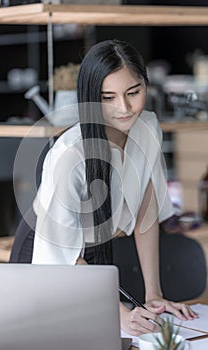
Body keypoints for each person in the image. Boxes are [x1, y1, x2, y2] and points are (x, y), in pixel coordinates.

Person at [32, 39, 198, 335]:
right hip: (58, 261)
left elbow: (146, 216)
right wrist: (116, 311)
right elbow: (61, 256)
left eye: (133, 92)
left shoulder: (148, 127)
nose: (124, 108)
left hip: (102, 258)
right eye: (108, 97)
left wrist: (154, 295)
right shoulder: (69, 154)